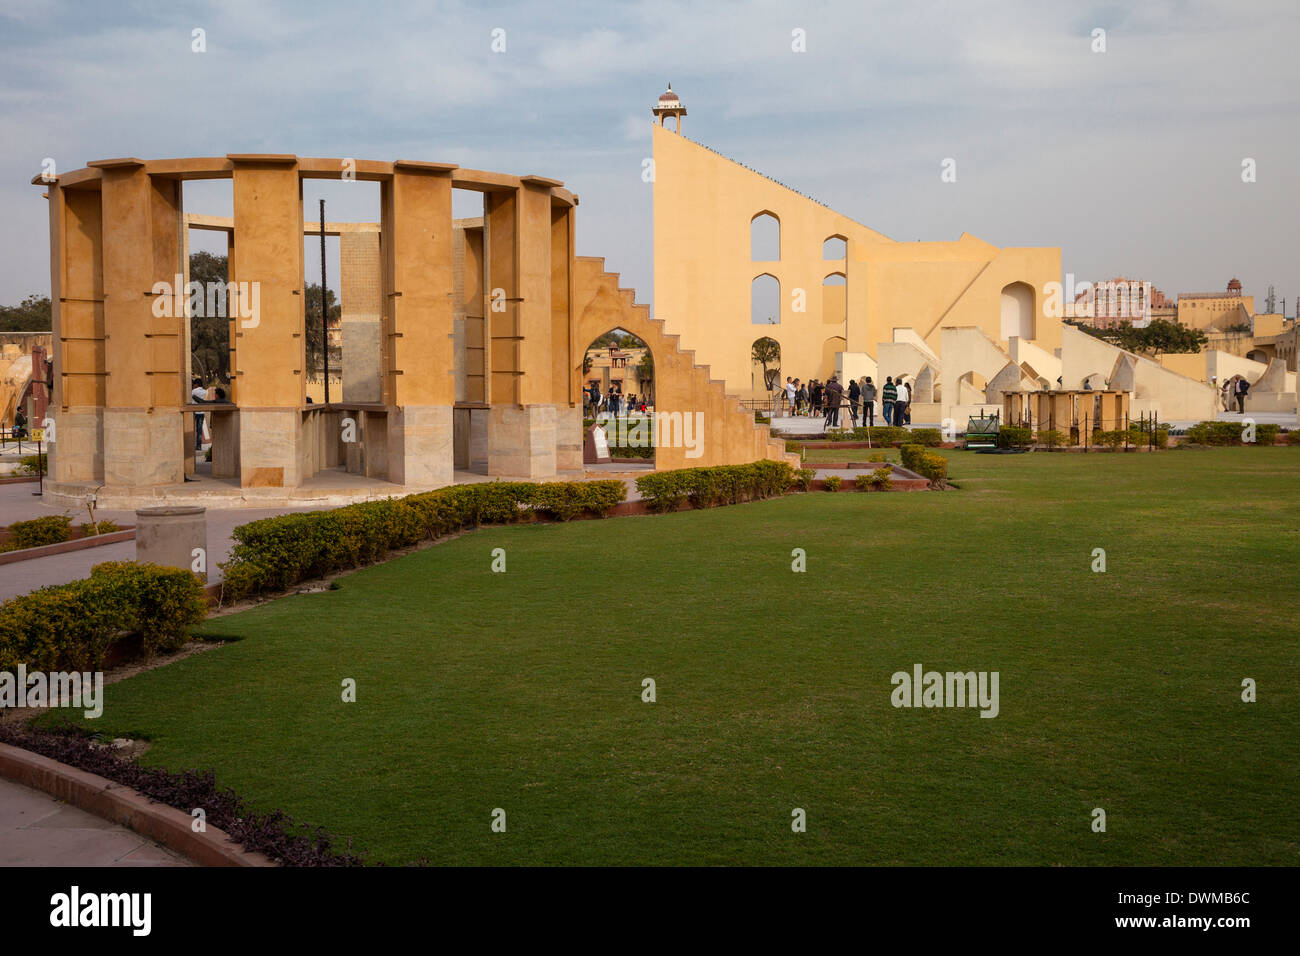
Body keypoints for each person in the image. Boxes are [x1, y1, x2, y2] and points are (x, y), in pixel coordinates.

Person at [190, 377, 207, 451]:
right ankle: (199, 445)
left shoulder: (193, 391)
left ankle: (190, 444)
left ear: (196, 384)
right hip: (202, 412)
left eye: (194, 384)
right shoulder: (205, 391)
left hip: (194, 411)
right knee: (199, 430)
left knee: (191, 429)